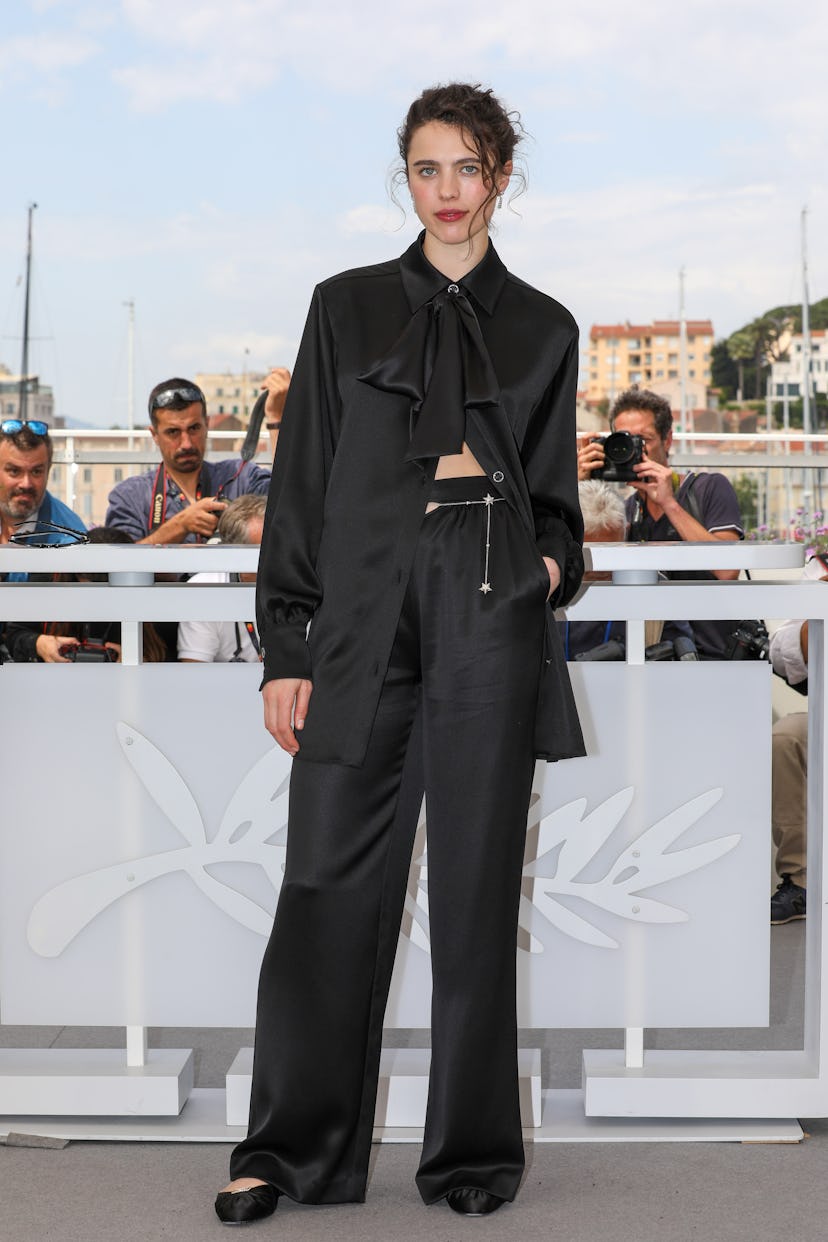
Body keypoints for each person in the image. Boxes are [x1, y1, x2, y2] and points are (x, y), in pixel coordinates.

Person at [215, 83, 584, 1226]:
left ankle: (471, 1154)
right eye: (428, 169)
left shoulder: (546, 327)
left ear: (501, 179)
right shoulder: (345, 307)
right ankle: (287, 1152)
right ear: (405, 179)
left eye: (470, 168)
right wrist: (289, 642)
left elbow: (560, 507)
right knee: (326, 882)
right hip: (362, 614)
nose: (449, 191)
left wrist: (547, 570)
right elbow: (304, 491)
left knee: (477, 893)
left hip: (487, 604)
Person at [578, 386, 744, 658]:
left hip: (713, 655)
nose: (634, 450)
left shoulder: (709, 488)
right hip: (654, 656)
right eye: (625, 440)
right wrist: (576, 486)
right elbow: (589, 571)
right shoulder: (627, 511)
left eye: (643, 440)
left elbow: (727, 571)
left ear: (667, 440)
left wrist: (669, 503)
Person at [104, 371, 288, 544]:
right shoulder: (130, 496)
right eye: (173, 432)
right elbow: (121, 565)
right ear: (154, 435)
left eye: (194, 429)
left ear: (207, 424)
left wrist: (276, 418)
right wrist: (180, 526)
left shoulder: (241, 478)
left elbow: (290, 506)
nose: (187, 444)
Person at [561, 479, 696, 660]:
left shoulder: (650, 585)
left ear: (626, 531)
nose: (600, 567)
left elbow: (681, 648)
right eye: (590, 553)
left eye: (610, 551)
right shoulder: (550, 584)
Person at [767, 553, 828, 923]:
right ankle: (801, 879)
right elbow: (779, 651)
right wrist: (817, 613)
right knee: (784, 740)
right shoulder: (819, 569)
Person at [4, 526, 166, 662]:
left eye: (107, 590)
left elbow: (167, 651)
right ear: (76, 570)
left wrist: (136, 659)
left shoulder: (153, 593)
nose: (96, 597)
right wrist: (40, 644)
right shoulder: (49, 582)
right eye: (88, 583)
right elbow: (15, 634)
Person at [177, 495, 266, 663]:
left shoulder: (303, 580)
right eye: (268, 548)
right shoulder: (204, 591)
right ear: (237, 556)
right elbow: (193, 674)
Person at [0, 420, 85, 577]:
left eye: (36, 472)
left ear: (48, 471)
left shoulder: (69, 540)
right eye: (14, 471)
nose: (26, 483)